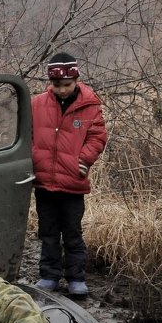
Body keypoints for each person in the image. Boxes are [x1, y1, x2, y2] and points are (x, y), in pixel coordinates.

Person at [31, 52, 108, 297]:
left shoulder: (90, 105)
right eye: (56, 85)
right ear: (50, 83)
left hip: (73, 183)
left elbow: (97, 137)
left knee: (73, 233)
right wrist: (31, 161)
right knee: (48, 232)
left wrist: (83, 160)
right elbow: (27, 134)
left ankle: (76, 278)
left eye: (67, 85)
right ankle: (49, 275)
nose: (62, 90)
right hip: (44, 183)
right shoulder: (37, 104)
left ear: (76, 80)